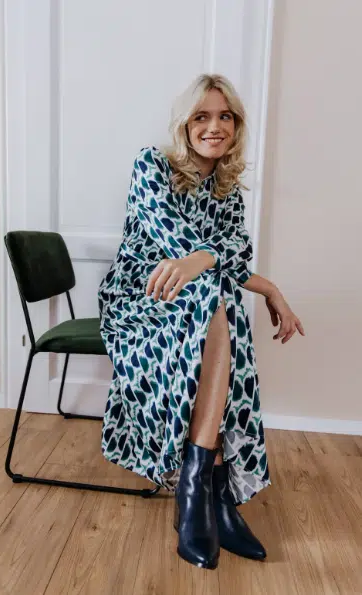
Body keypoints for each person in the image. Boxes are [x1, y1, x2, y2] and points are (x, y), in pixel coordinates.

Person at [97, 73, 305, 569]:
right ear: (185, 124)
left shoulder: (226, 189)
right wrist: (206, 262)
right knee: (215, 295)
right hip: (139, 300)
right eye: (202, 116)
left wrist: (269, 287)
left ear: (236, 125)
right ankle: (205, 490)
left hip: (197, 301)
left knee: (215, 295)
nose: (215, 126)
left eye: (225, 116)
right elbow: (175, 242)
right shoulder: (152, 165)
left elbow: (233, 257)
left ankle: (203, 488)